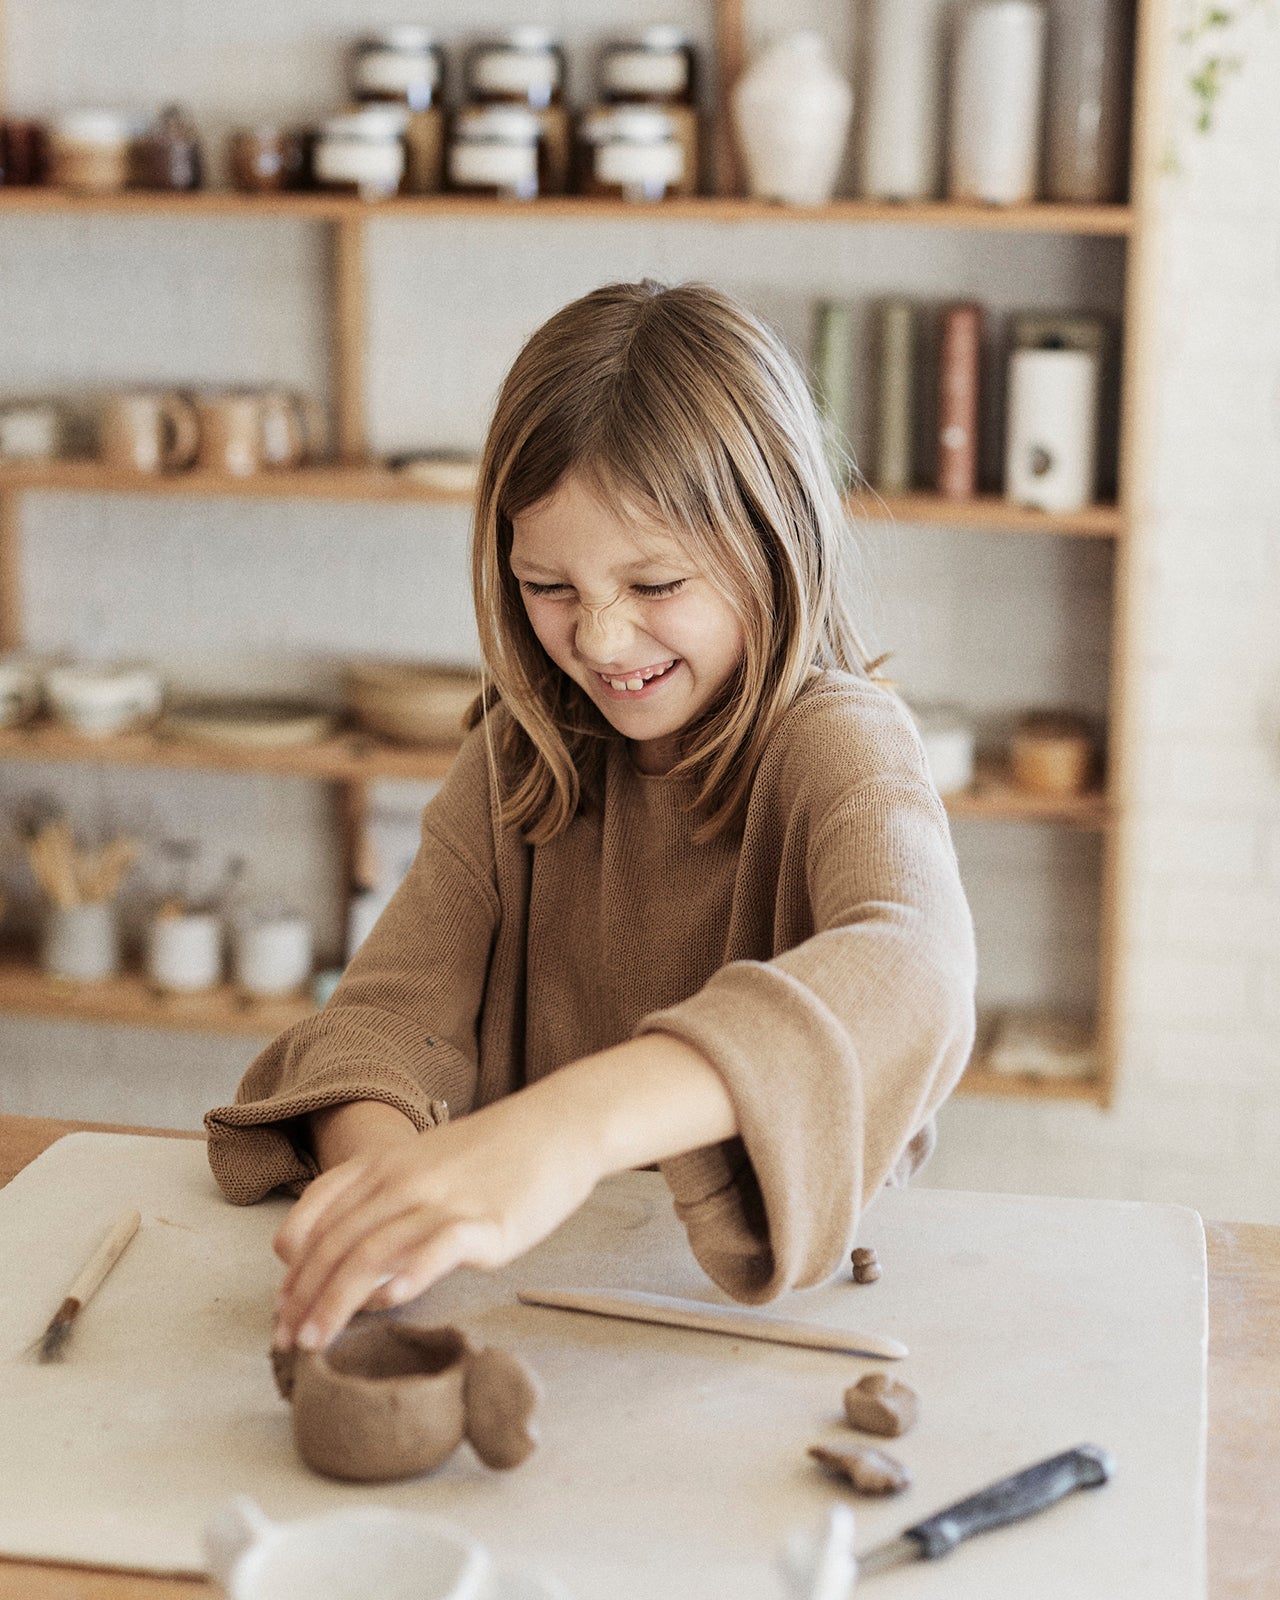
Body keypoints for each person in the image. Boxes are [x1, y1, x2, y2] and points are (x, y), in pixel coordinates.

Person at [205, 279, 976, 1357]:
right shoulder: (519, 754)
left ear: (774, 538)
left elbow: (912, 968)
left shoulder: (838, 740)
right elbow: (379, 1021)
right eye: (547, 585)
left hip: (757, 1335)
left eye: (656, 581)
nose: (604, 640)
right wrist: (389, 1188)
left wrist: (562, 1133)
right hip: (540, 1321)